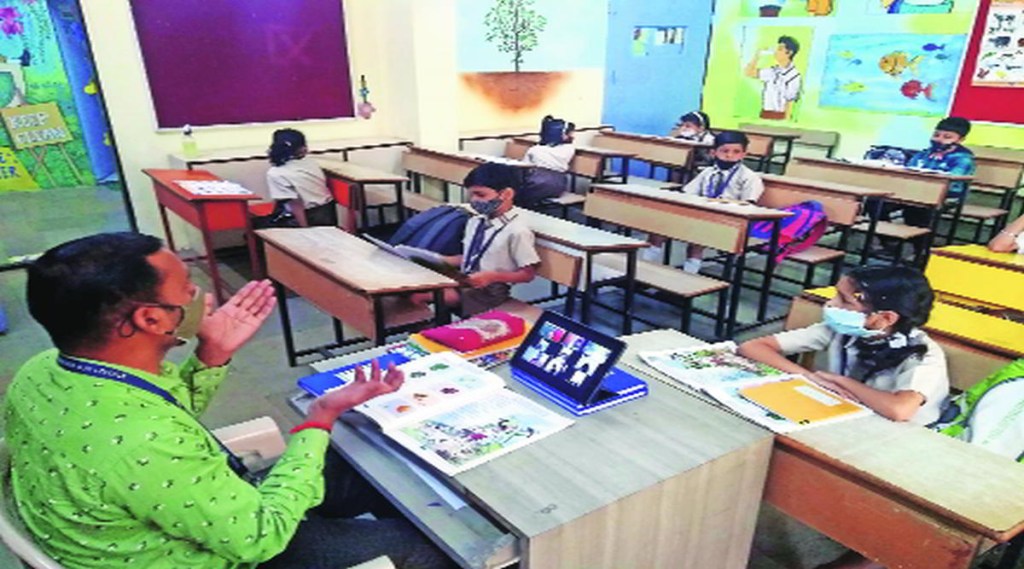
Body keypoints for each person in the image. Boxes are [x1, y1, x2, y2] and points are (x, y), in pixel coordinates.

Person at [5, 232, 450, 569]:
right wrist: (321, 415)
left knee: (358, 468)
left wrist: (211, 355)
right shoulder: (142, 442)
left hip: (180, 514)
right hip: (225, 549)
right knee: (426, 546)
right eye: (187, 289)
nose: (202, 297)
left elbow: (160, 419)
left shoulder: (43, 370)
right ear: (151, 318)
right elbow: (262, 536)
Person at [738, 265, 949, 426]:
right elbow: (752, 347)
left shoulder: (923, 354)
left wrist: (840, 381)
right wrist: (809, 377)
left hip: (900, 434)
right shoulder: (842, 330)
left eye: (844, 301)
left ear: (884, 318)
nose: (831, 304)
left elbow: (899, 410)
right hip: (846, 416)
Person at [427, 163, 541, 315]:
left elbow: (527, 274)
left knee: (419, 296)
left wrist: (492, 277)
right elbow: (475, 256)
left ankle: (428, 326)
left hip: (489, 292)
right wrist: (442, 260)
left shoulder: (517, 231)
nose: (474, 200)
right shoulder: (476, 221)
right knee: (417, 288)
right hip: (467, 280)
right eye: (471, 195)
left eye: (480, 195)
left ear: (506, 194)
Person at [674, 130, 764, 273]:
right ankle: (649, 269)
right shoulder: (707, 173)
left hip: (731, 220)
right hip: (705, 215)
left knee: (698, 236)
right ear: (713, 152)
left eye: (736, 152)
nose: (730, 155)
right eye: (724, 151)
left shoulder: (750, 177)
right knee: (659, 227)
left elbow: (748, 205)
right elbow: (688, 193)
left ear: (744, 154)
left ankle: (689, 274)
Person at [900, 116, 976, 228]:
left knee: (918, 208)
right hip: (916, 190)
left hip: (947, 196)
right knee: (878, 203)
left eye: (947, 137)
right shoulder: (925, 153)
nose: (939, 140)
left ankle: (919, 237)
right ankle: (887, 237)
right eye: (936, 135)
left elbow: (953, 182)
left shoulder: (963, 159)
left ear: (960, 140)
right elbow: (908, 169)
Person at [265, 128, 337, 227]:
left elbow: (295, 203)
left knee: (261, 226)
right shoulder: (310, 162)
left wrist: (304, 228)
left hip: (308, 217)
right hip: (327, 210)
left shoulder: (276, 173)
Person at [520, 115, 576, 207]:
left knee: (517, 187)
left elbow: (525, 165)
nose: (573, 136)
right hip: (558, 184)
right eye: (570, 133)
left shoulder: (535, 149)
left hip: (538, 182)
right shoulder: (569, 148)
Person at [745, 36, 802, 121]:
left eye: (779, 49)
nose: (775, 52)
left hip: (779, 117)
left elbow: (790, 103)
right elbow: (749, 72)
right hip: (764, 114)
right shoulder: (773, 71)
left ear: (789, 52)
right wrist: (757, 55)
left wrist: (785, 123)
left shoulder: (793, 76)